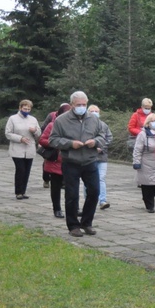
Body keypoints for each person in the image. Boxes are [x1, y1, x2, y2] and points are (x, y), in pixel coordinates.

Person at [49, 91, 107, 237]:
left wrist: (95, 142)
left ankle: (87, 222)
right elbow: (53, 140)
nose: (82, 107)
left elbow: (102, 135)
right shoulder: (61, 120)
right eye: (78, 105)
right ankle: (73, 225)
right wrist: (69, 144)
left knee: (94, 192)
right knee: (72, 195)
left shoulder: (94, 119)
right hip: (71, 162)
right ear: (72, 105)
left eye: (84, 104)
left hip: (90, 161)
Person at [39, 103, 71, 217]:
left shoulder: (75, 125)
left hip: (71, 161)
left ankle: (73, 208)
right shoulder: (52, 125)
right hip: (56, 161)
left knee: (71, 187)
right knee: (56, 187)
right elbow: (42, 139)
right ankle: (57, 208)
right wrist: (57, 143)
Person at [5, 99, 42, 200]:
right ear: (20, 108)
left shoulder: (33, 119)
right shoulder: (13, 119)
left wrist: (35, 131)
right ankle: (18, 192)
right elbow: (8, 133)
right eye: (25, 108)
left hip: (29, 148)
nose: (27, 110)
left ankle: (23, 191)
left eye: (29, 109)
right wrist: (20, 138)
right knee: (20, 170)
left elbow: (39, 134)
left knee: (27, 171)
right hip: (17, 149)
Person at [133, 112, 155, 213]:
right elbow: (137, 149)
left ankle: (148, 198)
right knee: (147, 185)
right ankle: (149, 204)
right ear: (148, 123)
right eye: (153, 121)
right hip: (146, 162)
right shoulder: (143, 134)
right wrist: (136, 162)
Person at [88, 105, 113, 210]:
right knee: (88, 180)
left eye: (96, 111)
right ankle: (88, 200)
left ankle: (102, 200)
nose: (94, 113)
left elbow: (109, 138)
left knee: (101, 178)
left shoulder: (103, 125)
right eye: (92, 111)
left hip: (102, 157)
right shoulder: (85, 125)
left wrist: (101, 147)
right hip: (89, 157)